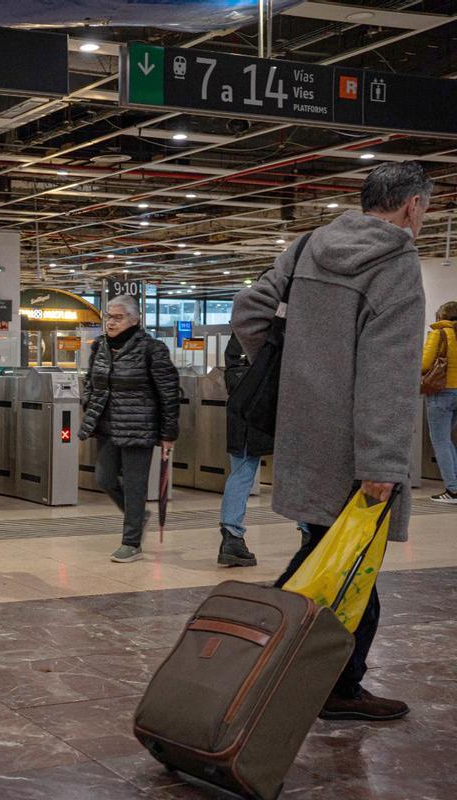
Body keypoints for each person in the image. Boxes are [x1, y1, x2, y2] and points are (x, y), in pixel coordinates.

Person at [232, 160, 432, 722]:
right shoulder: (396, 263)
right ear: (413, 205)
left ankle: (286, 663)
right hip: (357, 452)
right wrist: (383, 464)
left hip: (304, 440)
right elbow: (386, 377)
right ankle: (310, 675)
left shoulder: (309, 245)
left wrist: (295, 380)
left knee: (326, 554)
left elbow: (248, 310)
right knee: (350, 570)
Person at [78, 295, 179, 563]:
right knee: (104, 478)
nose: (111, 322)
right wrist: (88, 402)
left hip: (139, 427)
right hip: (107, 425)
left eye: (118, 317)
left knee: (135, 486)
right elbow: (91, 380)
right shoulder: (100, 346)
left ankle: (131, 542)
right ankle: (137, 515)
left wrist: (168, 434)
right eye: (108, 316)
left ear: (134, 320)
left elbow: (168, 393)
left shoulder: (152, 349)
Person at [215, 334, 267, 567]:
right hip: (272, 408)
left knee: (241, 472)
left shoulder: (239, 335)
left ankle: (232, 537)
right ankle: (310, 535)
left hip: (241, 412)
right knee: (299, 470)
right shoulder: (280, 328)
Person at [422, 301, 457, 503]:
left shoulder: (439, 333)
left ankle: (452, 490)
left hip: (441, 392)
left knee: (441, 440)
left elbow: (425, 364)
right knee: (448, 440)